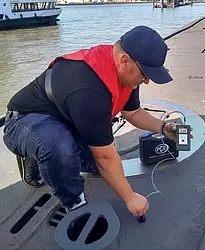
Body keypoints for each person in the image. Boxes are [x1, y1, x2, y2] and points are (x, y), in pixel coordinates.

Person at [3, 25, 176, 217]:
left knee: (93, 165)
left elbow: (133, 112)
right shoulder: (90, 90)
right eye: (145, 76)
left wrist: (162, 128)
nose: (146, 82)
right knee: (60, 150)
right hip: (24, 120)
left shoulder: (126, 73)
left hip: (67, 121)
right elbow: (105, 158)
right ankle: (74, 202)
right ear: (125, 61)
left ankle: (42, 151)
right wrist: (130, 197)